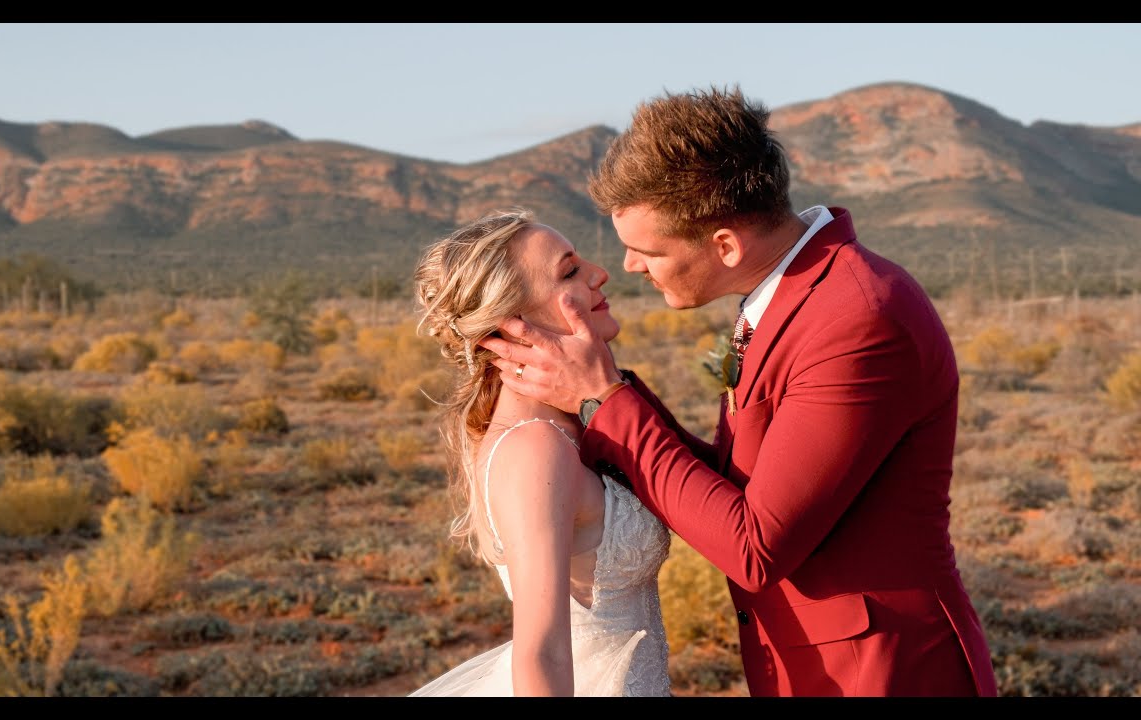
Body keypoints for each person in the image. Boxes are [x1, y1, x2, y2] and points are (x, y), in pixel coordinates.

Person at [477, 85, 999, 697]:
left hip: (883, 671)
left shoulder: (857, 318)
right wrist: (609, 396)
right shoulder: (790, 294)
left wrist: (604, 401)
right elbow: (746, 483)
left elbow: (754, 545)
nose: (629, 266)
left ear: (725, 245)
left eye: (647, 249)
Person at [406, 209, 672, 697]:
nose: (599, 273)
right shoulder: (536, 447)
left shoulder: (569, 421)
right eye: (569, 272)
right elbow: (542, 651)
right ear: (513, 323)